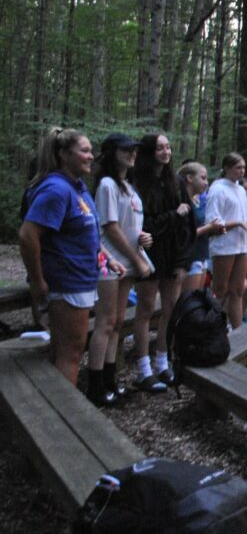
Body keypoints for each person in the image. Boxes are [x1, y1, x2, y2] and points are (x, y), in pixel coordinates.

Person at [19, 128, 112, 385]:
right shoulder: (56, 190)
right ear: (63, 154)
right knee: (70, 353)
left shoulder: (78, 187)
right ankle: (62, 418)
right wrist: (38, 281)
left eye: (91, 151)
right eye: (84, 150)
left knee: (65, 350)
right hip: (67, 282)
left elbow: (86, 232)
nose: (91, 156)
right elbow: (28, 235)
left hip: (82, 280)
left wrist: (104, 258)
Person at [87, 134, 152, 406]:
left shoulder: (128, 186)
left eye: (134, 150)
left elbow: (128, 225)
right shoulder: (106, 185)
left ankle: (111, 381)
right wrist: (137, 260)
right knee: (105, 322)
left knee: (117, 323)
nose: (132, 154)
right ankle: (95, 386)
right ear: (112, 152)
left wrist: (143, 238)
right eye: (126, 150)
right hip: (111, 261)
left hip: (128, 259)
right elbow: (110, 228)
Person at [133, 133, 194, 392]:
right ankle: (143, 368)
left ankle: (162, 362)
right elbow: (144, 225)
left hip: (173, 253)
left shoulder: (176, 182)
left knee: (170, 308)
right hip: (148, 253)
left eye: (168, 146)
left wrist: (183, 261)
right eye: (160, 147)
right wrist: (173, 215)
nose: (166, 151)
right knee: (146, 309)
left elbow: (188, 222)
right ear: (150, 151)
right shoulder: (138, 182)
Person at [208, 153, 247, 329]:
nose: (242, 171)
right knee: (220, 290)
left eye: (244, 167)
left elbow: (244, 217)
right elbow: (213, 222)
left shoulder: (240, 189)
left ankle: (239, 332)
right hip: (224, 246)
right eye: (238, 167)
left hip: (242, 245)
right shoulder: (217, 189)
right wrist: (239, 223)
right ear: (227, 168)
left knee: (238, 290)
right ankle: (211, 328)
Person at [180, 161, 222, 293]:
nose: (206, 183)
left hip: (202, 255)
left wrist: (215, 230)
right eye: (203, 178)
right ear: (189, 178)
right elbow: (185, 234)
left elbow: (201, 228)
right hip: (189, 258)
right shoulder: (182, 201)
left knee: (198, 299)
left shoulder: (198, 201)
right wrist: (209, 227)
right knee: (188, 300)